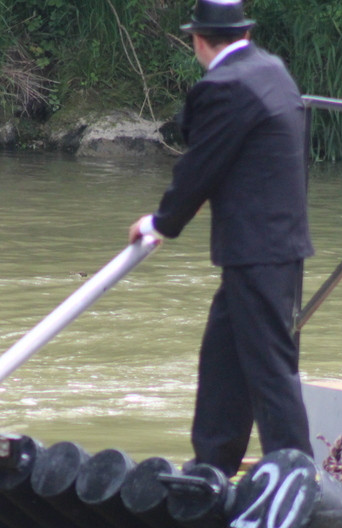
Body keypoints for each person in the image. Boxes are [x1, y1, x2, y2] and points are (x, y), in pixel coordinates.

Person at [128, 0, 314, 478]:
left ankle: (295, 475)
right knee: (223, 359)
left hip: (259, 250)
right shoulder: (270, 69)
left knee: (270, 368)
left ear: (199, 41)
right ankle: (212, 463)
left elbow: (200, 165)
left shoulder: (226, 85)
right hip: (271, 247)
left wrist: (160, 223)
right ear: (244, 34)